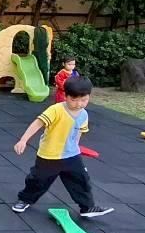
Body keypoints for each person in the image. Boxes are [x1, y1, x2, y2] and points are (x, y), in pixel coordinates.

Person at [11, 76, 112, 218]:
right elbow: (38, 123)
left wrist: (76, 148)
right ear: (66, 96)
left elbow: (78, 133)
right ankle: (25, 199)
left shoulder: (84, 114)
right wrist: (23, 140)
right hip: (49, 155)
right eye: (74, 100)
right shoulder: (56, 110)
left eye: (84, 100)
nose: (79, 104)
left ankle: (87, 207)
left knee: (81, 180)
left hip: (71, 155)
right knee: (38, 181)